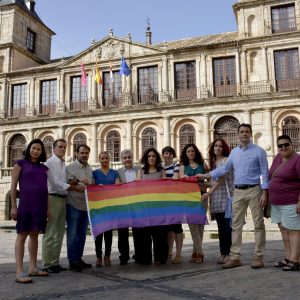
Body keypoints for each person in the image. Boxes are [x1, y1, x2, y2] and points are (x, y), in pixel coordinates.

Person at [197, 124, 269, 269]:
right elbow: (224, 169)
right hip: (238, 191)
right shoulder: (234, 152)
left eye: (246, 132)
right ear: (238, 134)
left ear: (250, 134)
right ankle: (235, 257)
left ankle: (258, 257)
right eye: (241, 132)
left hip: (254, 190)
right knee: (235, 225)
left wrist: (265, 192)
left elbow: (265, 173)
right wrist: (207, 175)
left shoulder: (259, 151)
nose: (244, 134)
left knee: (258, 224)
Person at [42, 139, 85, 273]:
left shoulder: (62, 163)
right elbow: (55, 184)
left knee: (59, 232)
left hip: (62, 199)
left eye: (64, 147)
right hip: (52, 198)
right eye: (60, 147)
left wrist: (76, 181)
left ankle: (55, 262)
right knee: (50, 232)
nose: (62, 149)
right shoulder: (49, 163)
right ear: (54, 149)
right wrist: (74, 188)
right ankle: (47, 264)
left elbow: (64, 182)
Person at [10, 139, 50, 283]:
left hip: (40, 205)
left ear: (42, 152)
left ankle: (33, 267)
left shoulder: (44, 168)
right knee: (22, 235)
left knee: (34, 235)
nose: (36, 151)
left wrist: (48, 208)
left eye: (39, 149)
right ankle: (19, 271)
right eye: (33, 148)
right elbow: (13, 186)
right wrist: (14, 206)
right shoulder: (20, 164)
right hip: (26, 204)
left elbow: (46, 189)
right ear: (29, 149)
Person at [269, 135, 300, 271]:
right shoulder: (277, 158)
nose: (283, 148)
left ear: (291, 144)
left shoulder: (297, 159)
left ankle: (295, 260)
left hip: (291, 201)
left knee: (294, 231)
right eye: (280, 146)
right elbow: (271, 175)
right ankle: (288, 257)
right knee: (284, 230)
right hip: (276, 202)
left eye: (286, 145)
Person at [201, 139, 234, 264]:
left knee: (227, 227)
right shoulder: (214, 162)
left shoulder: (226, 160)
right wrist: (203, 186)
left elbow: (221, 179)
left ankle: (228, 253)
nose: (218, 148)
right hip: (216, 198)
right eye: (216, 146)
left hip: (225, 197)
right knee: (221, 228)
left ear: (224, 148)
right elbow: (214, 181)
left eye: (220, 146)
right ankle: (223, 253)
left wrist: (209, 192)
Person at [136, 147, 169, 265]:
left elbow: (166, 189)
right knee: (145, 235)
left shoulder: (162, 171)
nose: (151, 158)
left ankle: (160, 258)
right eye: (149, 156)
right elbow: (137, 190)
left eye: (153, 156)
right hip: (145, 208)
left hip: (159, 208)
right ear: (146, 158)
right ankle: (146, 258)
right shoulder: (140, 172)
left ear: (157, 158)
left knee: (159, 234)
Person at [179, 143, 209, 264]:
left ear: (195, 152)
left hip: (202, 195)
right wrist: (185, 177)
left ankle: (196, 253)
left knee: (200, 225)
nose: (190, 153)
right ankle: (200, 252)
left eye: (192, 151)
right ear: (185, 154)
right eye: (188, 151)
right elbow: (180, 180)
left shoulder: (203, 164)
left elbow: (210, 180)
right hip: (189, 198)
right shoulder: (182, 166)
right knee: (192, 225)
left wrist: (204, 183)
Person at [66, 144, 93, 271]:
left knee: (82, 234)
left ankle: (79, 258)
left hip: (85, 205)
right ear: (77, 154)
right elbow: (65, 184)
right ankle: (73, 261)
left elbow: (91, 185)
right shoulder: (70, 167)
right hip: (74, 204)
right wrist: (77, 181)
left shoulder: (89, 168)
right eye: (82, 153)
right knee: (73, 234)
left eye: (86, 153)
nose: (84, 155)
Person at [93, 151, 120, 267]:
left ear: (110, 159)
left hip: (110, 207)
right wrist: (96, 188)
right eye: (102, 158)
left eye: (106, 158)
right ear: (99, 160)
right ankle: (98, 256)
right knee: (98, 234)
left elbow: (118, 186)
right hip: (98, 207)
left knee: (108, 234)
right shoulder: (94, 173)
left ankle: (107, 256)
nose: (104, 160)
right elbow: (91, 187)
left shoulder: (114, 173)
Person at [117, 149, 140, 265]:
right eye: (125, 158)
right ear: (121, 160)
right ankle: (124, 256)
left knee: (138, 231)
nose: (127, 160)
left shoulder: (139, 170)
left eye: (129, 157)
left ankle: (138, 254)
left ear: (132, 158)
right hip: (124, 205)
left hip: (137, 204)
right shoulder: (118, 172)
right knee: (122, 232)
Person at [161, 146, 184, 264]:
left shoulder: (176, 166)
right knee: (167, 228)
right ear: (163, 155)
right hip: (163, 202)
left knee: (177, 228)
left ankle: (178, 254)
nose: (168, 155)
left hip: (175, 200)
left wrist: (164, 178)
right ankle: (169, 252)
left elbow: (175, 178)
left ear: (173, 155)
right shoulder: (160, 167)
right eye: (166, 153)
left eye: (170, 153)